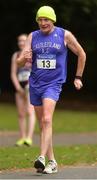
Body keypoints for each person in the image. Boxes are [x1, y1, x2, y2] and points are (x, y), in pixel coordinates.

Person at [17, 6, 86, 173]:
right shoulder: (33, 36)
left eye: (46, 19)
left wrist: (78, 77)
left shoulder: (64, 35)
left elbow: (82, 54)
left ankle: (41, 157)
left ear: (53, 20)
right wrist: (23, 59)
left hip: (53, 84)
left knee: (47, 120)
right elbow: (19, 62)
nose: (43, 23)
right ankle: (52, 161)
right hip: (35, 83)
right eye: (40, 20)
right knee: (43, 124)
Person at [11, 34, 35, 146]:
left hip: (30, 85)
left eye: (23, 41)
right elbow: (13, 73)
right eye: (19, 41)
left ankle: (29, 138)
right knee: (21, 113)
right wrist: (17, 87)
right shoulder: (15, 55)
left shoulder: (33, 54)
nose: (21, 43)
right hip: (19, 85)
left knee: (30, 111)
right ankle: (22, 137)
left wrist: (31, 84)